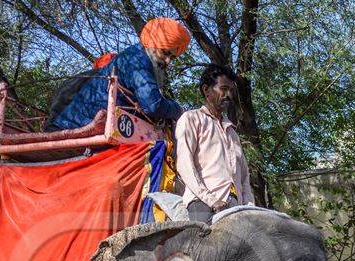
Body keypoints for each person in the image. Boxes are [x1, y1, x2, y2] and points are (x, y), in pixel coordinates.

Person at [46, 18, 190, 131]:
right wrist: (179, 110)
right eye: (165, 53)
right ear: (151, 43)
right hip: (78, 124)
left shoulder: (137, 57)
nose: (167, 61)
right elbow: (154, 105)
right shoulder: (137, 61)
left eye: (172, 57)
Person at [174, 65, 255, 223]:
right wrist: (211, 200)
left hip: (235, 207)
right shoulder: (192, 119)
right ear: (206, 90)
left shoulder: (232, 133)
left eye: (231, 90)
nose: (228, 95)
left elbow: (244, 176)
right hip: (203, 203)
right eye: (223, 89)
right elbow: (184, 165)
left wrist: (250, 206)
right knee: (204, 246)